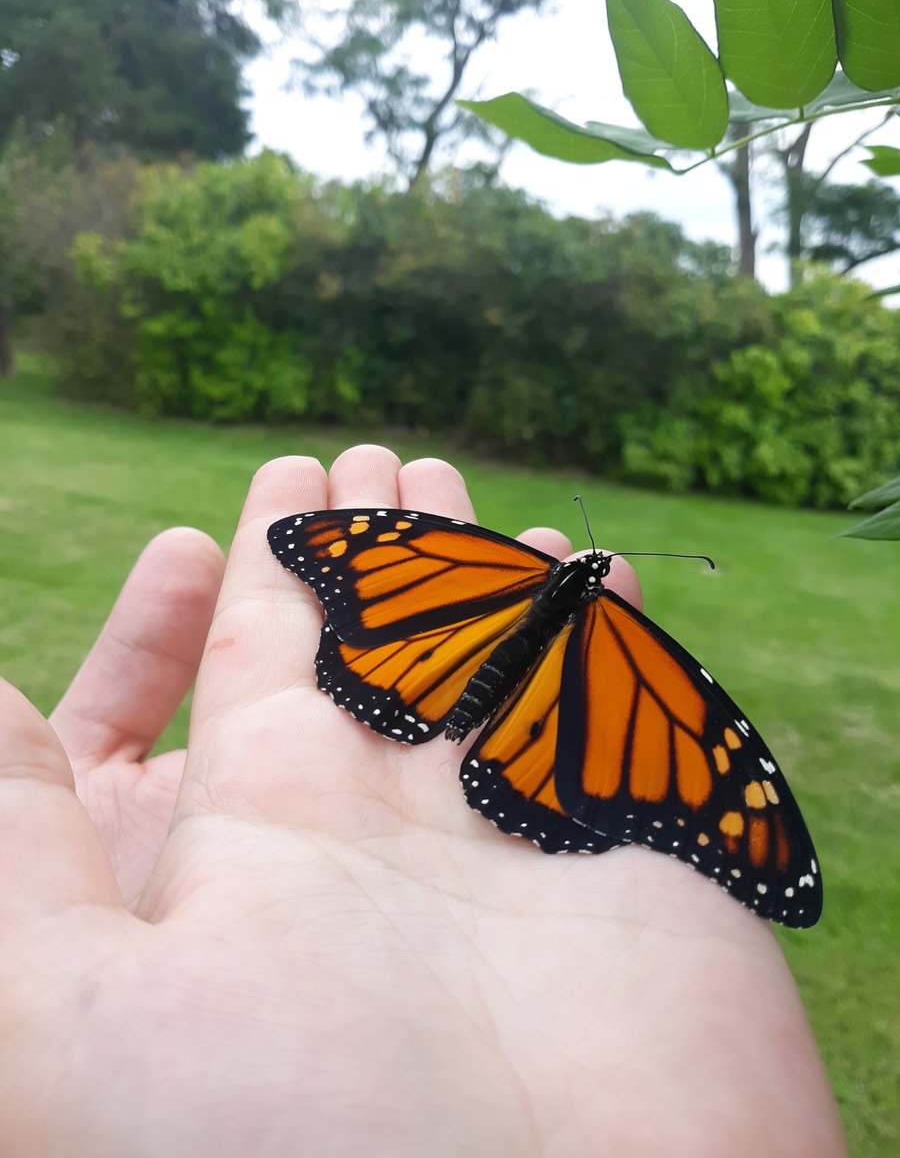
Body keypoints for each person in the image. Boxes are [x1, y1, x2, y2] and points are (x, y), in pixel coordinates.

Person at [0, 446, 847, 1157]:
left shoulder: (501, 571)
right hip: (519, 732)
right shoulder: (626, 649)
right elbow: (349, 548)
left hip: (434, 667)